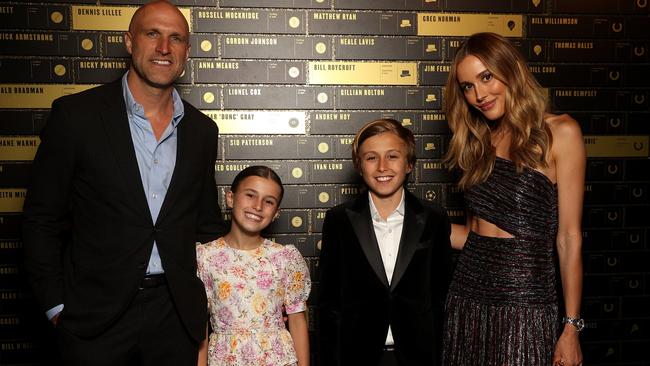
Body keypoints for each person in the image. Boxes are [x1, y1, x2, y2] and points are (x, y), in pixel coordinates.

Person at [22, 1, 226, 364]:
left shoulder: (202, 131)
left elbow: (206, 226)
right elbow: (41, 219)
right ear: (129, 42)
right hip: (94, 320)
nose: (164, 48)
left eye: (176, 38)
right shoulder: (76, 117)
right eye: (153, 34)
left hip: (175, 318)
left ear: (187, 52)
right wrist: (56, 307)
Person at [442, 32, 585, 366]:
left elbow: (568, 238)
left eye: (486, 77)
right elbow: (475, 235)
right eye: (467, 87)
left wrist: (571, 326)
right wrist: (405, 220)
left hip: (526, 303)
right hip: (468, 295)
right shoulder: (478, 143)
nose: (479, 94)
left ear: (511, 69)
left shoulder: (561, 133)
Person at [318, 119, 452, 366]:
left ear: (409, 163)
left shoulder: (434, 218)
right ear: (359, 166)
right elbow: (329, 303)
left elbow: (441, 297)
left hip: (419, 355)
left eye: (392, 156)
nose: (382, 167)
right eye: (371, 158)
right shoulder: (338, 220)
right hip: (357, 355)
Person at [196, 166, 311, 366]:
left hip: (279, 360)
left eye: (269, 202)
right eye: (250, 195)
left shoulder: (285, 257)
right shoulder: (204, 257)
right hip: (225, 360)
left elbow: (297, 320)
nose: (258, 206)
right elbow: (200, 327)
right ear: (230, 198)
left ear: (276, 213)